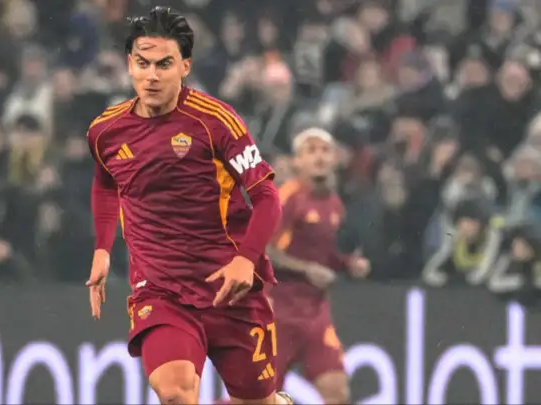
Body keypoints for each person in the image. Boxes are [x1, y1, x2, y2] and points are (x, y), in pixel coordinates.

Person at [85, 7, 292, 405]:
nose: (152, 75)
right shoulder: (105, 131)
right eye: (143, 63)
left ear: (185, 66)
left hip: (229, 286)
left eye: (164, 64)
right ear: (129, 64)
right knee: (175, 393)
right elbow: (106, 183)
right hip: (160, 290)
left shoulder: (215, 121)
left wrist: (246, 259)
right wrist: (102, 248)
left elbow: (267, 197)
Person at [266, 128, 371, 404]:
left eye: (325, 150)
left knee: (337, 391)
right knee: (261, 399)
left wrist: (349, 264)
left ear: (335, 159)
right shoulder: (286, 198)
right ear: (297, 161)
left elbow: (327, 255)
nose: (319, 157)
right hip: (278, 314)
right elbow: (265, 251)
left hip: (315, 315)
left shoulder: (334, 204)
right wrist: (306, 270)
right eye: (311, 151)